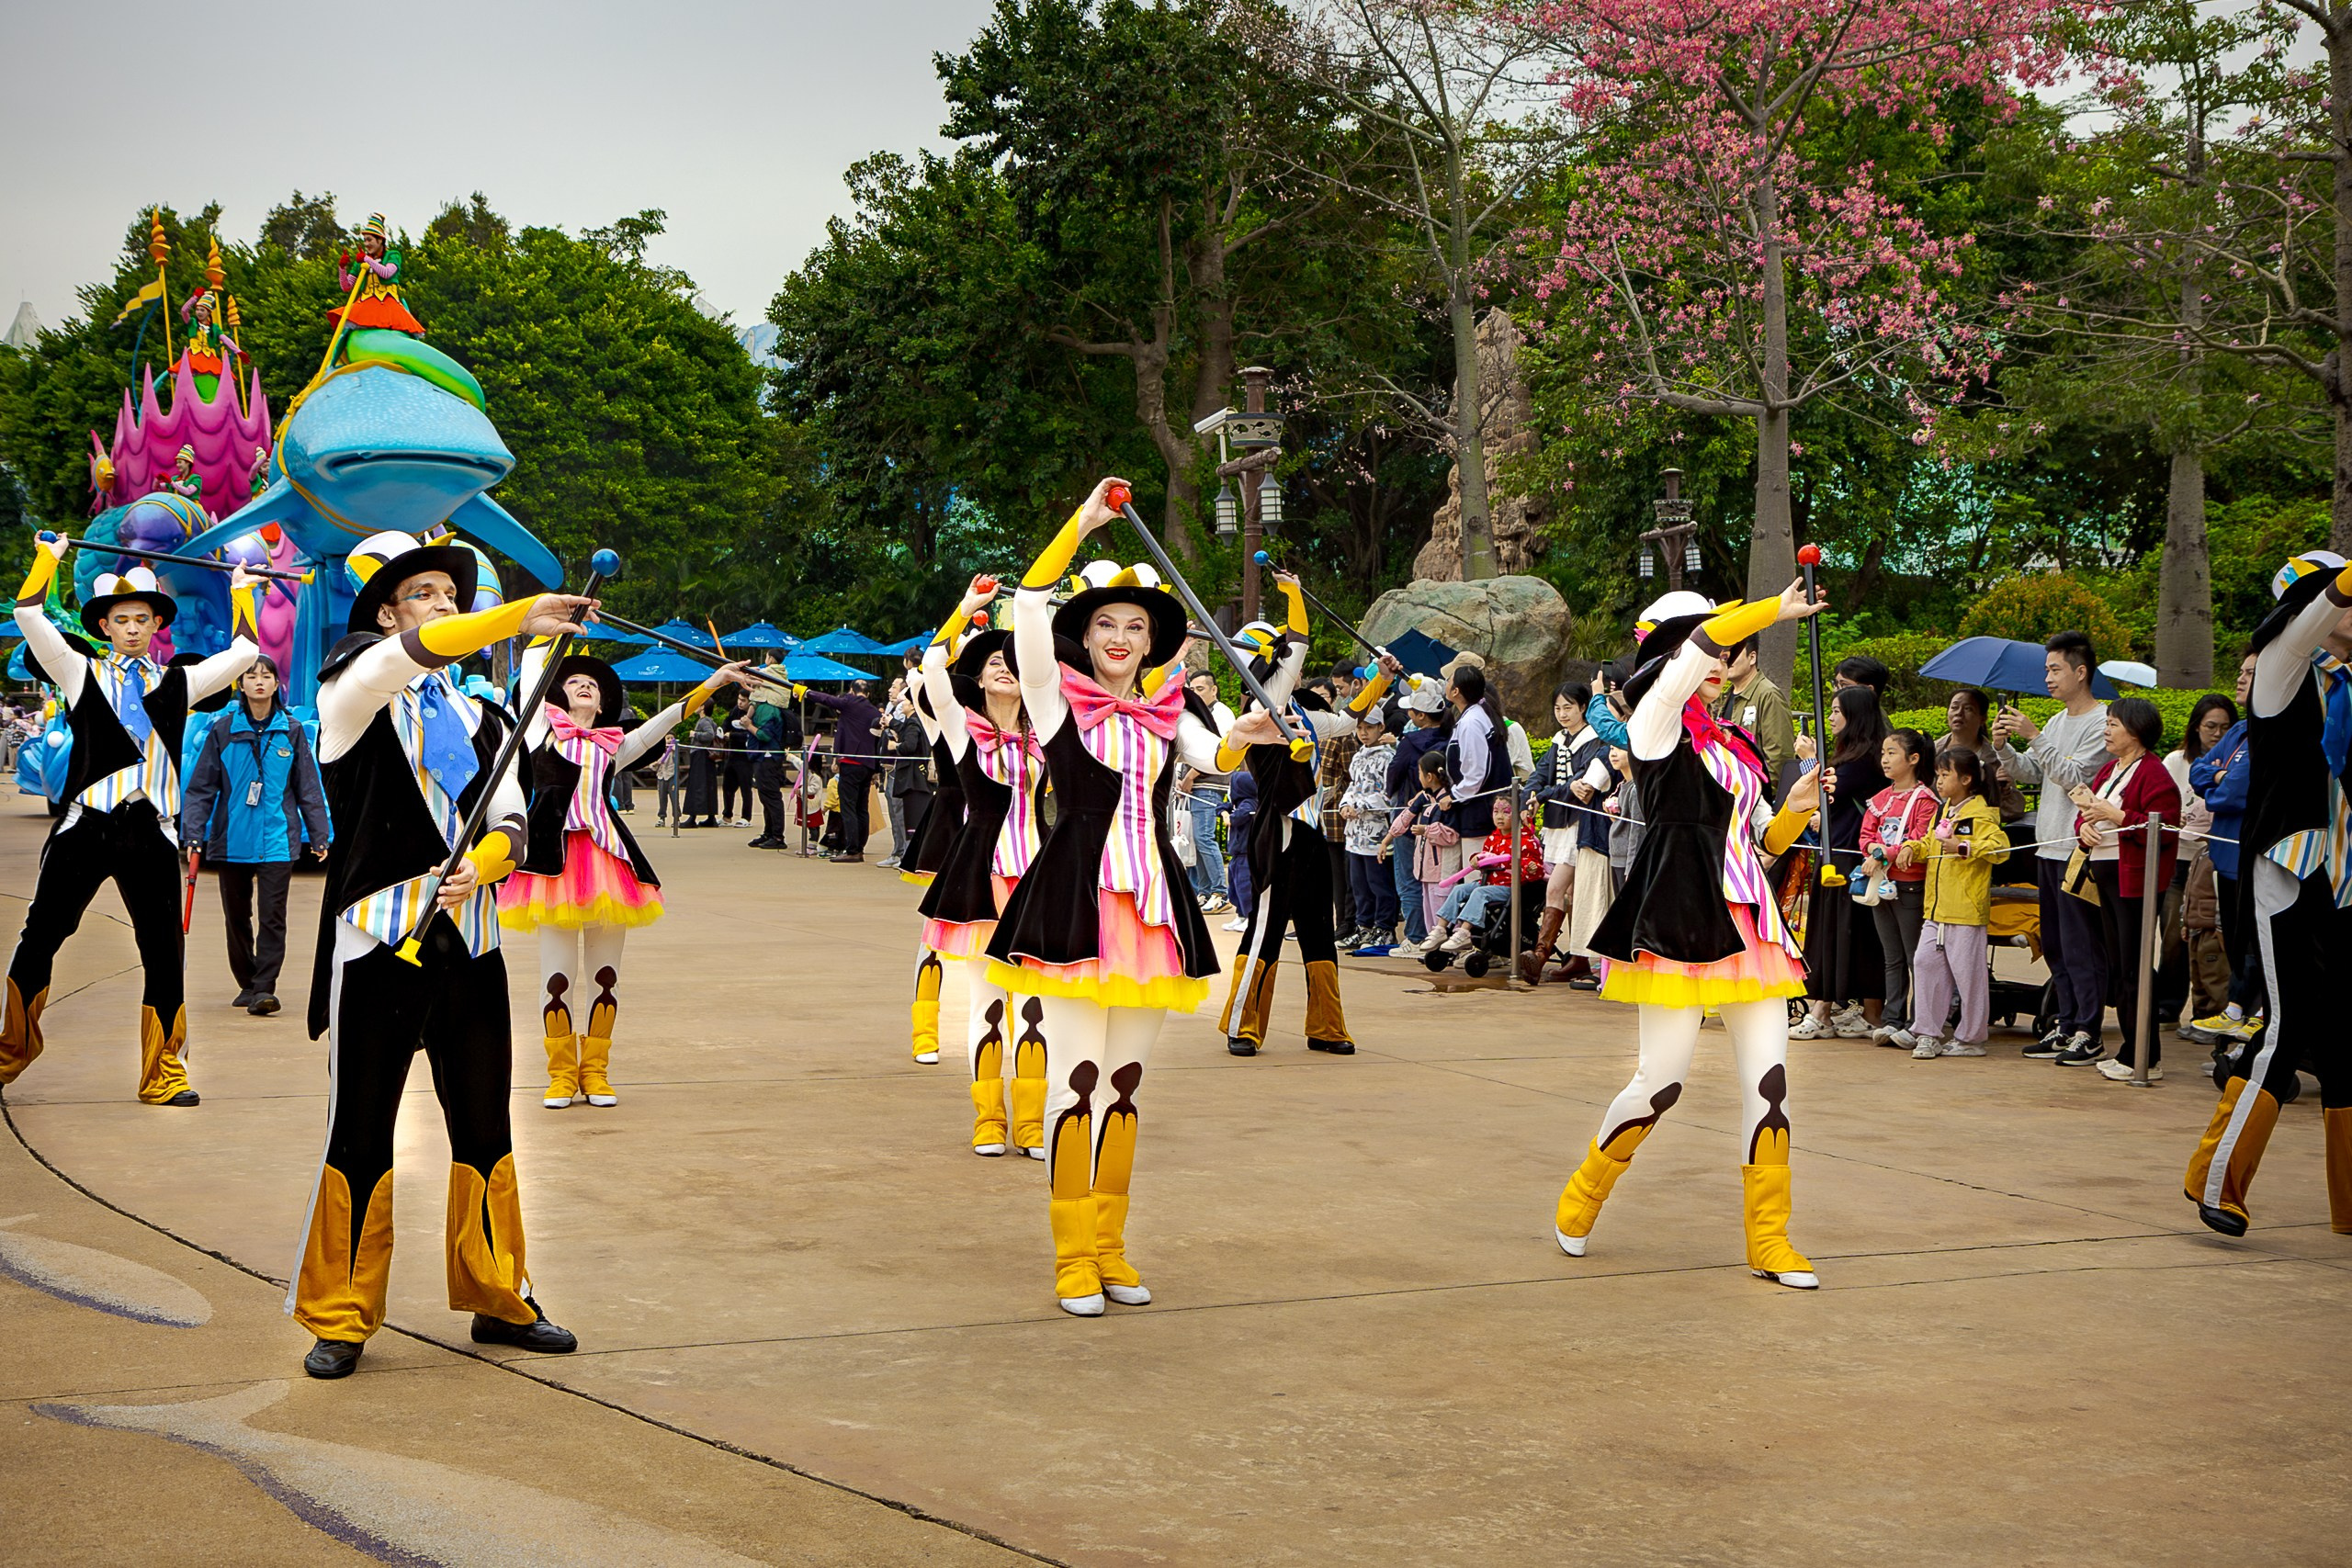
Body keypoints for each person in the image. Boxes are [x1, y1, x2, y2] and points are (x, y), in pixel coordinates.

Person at [288, 529, 594, 1380]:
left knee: (487, 1125)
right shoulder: (352, 689)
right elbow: (410, 657)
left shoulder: (484, 714)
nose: (442, 605)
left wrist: (485, 865)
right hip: (378, 944)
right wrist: (517, 616)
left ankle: (500, 1295)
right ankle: (341, 1313)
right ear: (387, 613)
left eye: (451, 595)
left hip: (474, 942)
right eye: (422, 593)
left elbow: (512, 818)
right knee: (360, 1129)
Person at [983, 480, 1232, 1316]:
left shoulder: (1167, 713)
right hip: (1074, 908)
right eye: (1105, 625)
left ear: (1151, 639)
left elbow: (1218, 754)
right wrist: (1081, 524)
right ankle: (1071, 1256)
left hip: (1152, 914)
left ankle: (1112, 1246)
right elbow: (1027, 606)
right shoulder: (1055, 699)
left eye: (1134, 627)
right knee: (1076, 1084)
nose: (1121, 638)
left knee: (1124, 1086)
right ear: (1084, 636)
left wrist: (1252, 736)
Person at [1555, 581, 1829, 1288]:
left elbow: (1763, 840)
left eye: (1723, 647)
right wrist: (1773, 610)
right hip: (1678, 921)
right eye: (1702, 645)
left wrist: (1798, 806)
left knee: (1771, 1084)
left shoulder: (1735, 742)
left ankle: (1770, 1239)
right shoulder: (1654, 722)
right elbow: (1699, 650)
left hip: (1748, 926)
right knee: (1661, 1083)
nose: (1718, 657)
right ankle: (1582, 1195)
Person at [4, 544, 260, 1105]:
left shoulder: (178, 682)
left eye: (143, 619)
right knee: (42, 935)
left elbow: (245, 652)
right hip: (86, 827)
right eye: (122, 620)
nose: (133, 628)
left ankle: (163, 1073)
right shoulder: (79, 671)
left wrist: (242, 589)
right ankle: (10, 1051)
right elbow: (28, 614)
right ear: (104, 626)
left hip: (150, 831)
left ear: (156, 625)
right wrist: (48, 558)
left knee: (165, 949)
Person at [499, 648, 750, 1110]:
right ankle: (561, 1075)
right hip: (553, 866)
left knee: (605, 977)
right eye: (573, 681)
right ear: (557, 695)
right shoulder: (539, 733)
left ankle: (595, 1072)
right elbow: (533, 677)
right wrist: (547, 633)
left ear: (602, 705)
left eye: (592, 685)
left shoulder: (614, 745)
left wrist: (713, 683)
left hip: (609, 864)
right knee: (556, 978)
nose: (584, 685)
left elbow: (667, 720)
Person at [2185, 552, 2352, 1236]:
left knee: (2344, 1039)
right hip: (2287, 867)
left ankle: (2350, 1204)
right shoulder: (2284, 661)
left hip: (2343, 877)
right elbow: (2320, 609)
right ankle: (2215, 1180)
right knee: (2285, 1028)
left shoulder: (2345, 678)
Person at [1216, 573, 1393, 1057]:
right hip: (1277, 829)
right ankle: (1242, 1024)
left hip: (1311, 831)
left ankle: (1327, 1026)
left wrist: (1381, 678)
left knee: (1317, 927)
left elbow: (1348, 720)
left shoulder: (1299, 708)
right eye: (1281, 657)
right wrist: (1293, 595)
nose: (1292, 663)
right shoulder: (1264, 701)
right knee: (1267, 928)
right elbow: (1297, 643)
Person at [917, 578, 1048, 1156]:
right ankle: (989, 1119)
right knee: (989, 1006)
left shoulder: (1048, 731)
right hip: (983, 878)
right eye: (995, 661)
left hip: (1040, 876)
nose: (1005, 668)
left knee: (1037, 1012)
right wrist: (965, 609)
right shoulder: (961, 726)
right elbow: (932, 670)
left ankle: (1032, 1123)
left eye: (1013, 661)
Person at [180, 655, 330, 1017]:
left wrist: (319, 835)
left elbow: (308, 787)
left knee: (272, 916)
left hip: (278, 839)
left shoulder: (291, 730)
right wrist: (193, 834)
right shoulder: (223, 730)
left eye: (266, 675)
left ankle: (265, 987)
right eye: (251, 676)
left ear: (277, 684)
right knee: (236, 917)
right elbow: (201, 788)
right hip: (232, 840)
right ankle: (247, 982)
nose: (259, 681)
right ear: (241, 685)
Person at [1993, 631, 2112, 1061]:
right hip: (2047, 847)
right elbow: (2033, 772)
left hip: (2077, 850)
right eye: (2046, 669)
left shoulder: (2102, 722)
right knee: (2057, 945)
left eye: (2055, 669)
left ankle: (2089, 1031)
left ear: (2081, 672)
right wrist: (2004, 749)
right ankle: (2066, 1023)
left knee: (2082, 945)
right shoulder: (2059, 720)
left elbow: (2074, 777)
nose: (2047, 677)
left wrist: (2033, 735)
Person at [2064, 697, 2183, 1078]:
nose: (2107, 730)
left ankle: (2144, 1057)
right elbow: (2086, 816)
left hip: (2134, 878)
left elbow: (2164, 827)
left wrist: (2116, 815)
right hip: (2106, 873)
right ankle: (2131, 1049)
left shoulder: (2154, 773)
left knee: (2134, 967)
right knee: (2119, 966)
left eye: (2114, 724)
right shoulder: (2109, 770)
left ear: (2136, 730)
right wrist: (2083, 828)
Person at [1896, 747, 2010, 1057]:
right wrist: (1912, 848)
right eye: (1938, 775)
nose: (1939, 781)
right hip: (1937, 909)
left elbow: (2000, 849)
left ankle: (1971, 1038)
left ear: (1966, 779)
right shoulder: (1944, 810)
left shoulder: (1981, 815)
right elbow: (1931, 843)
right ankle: (1927, 1032)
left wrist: (1964, 847)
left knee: (1968, 975)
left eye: (1945, 775)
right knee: (1924, 963)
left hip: (1965, 910)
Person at [1792, 684, 1891, 1039]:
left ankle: (1828, 1011)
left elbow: (1822, 791)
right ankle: (1852, 1009)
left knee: (1846, 931)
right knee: (1840, 930)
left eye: (1837, 711)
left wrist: (1809, 759)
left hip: (1850, 857)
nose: (1831, 718)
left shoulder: (1863, 761)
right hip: (1839, 852)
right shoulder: (1856, 756)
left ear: (1856, 716)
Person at [2186, 655, 2263, 1043]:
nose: (2240, 679)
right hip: (2224, 858)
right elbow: (2197, 771)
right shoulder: (2240, 731)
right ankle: (2235, 1010)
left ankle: (2256, 1015)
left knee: (2255, 944)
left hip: (2255, 857)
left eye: (2251, 673)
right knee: (2233, 940)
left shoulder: (2269, 731)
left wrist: (2218, 778)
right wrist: (2219, 774)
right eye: (2241, 672)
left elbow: (2235, 793)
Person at [2154, 695, 2238, 1031]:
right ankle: (2168, 1004)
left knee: (2214, 938)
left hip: (2218, 861)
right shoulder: (2176, 761)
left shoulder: (2237, 762)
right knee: (2174, 935)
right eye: (2210, 726)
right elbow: (2159, 802)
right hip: (2179, 860)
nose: (2217, 734)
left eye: (2225, 727)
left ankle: (2211, 1009)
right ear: (2196, 727)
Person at [1860, 728, 1939, 1049]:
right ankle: (1892, 1020)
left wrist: (1881, 853)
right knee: (1891, 956)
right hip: (1881, 882)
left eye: (1892, 753)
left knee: (1915, 957)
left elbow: (1920, 838)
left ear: (1914, 758)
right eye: (1883, 753)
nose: (1885, 759)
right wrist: (1873, 850)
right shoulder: (1881, 799)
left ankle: (1919, 1022)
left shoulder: (1925, 799)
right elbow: (1866, 834)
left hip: (1909, 885)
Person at [1526, 682, 1603, 983]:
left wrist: (1545, 794)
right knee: (1571, 893)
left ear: (1583, 707)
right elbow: (1540, 773)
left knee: (1556, 889)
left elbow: (1578, 783)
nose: (1562, 714)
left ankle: (1541, 954)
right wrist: (1532, 795)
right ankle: (1577, 958)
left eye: (1568, 707)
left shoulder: (1593, 739)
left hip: (1579, 823)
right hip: (1558, 824)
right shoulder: (1560, 739)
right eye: (1558, 708)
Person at [1386, 679, 1449, 949]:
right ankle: (1438, 933)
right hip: (1441, 818)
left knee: (1409, 879)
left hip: (1410, 815)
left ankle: (1414, 937)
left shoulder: (1409, 742)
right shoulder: (1451, 738)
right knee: (1438, 880)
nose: (1409, 714)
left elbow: (1393, 774)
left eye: (1411, 710)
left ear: (1421, 715)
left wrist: (1391, 793)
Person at [1427, 807, 1544, 951]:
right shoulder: (1493, 838)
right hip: (1488, 882)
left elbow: (1537, 869)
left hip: (1509, 887)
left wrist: (1531, 867)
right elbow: (1484, 856)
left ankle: (1464, 932)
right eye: (1496, 812)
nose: (1500, 817)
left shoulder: (1526, 840)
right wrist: (1476, 859)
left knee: (1480, 893)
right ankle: (1440, 929)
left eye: (1506, 812)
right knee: (1459, 889)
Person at [1339, 701, 1401, 951]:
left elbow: (1389, 795)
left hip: (1378, 834)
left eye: (1370, 727)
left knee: (1380, 884)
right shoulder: (1357, 757)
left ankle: (1385, 929)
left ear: (1381, 727)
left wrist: (1361, 805)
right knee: (1359, 886)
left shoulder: (1388, 757)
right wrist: (1345, 804)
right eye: (1360, 728)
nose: (1364, 733)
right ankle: (1363, 927)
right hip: (1355, 834)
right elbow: (1352, 786)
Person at [799, 680, 883, 862]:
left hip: (851, 762)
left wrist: (805, 692)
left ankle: (852, 850)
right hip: (868, 764)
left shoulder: (849, 702)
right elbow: (878, 742)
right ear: (868, 694)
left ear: (851, 691)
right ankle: (859, 848)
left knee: (848, 807)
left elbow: (826, 699)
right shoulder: (875, 712)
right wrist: (876, 769)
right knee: (862, 809)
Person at [1181, 671, 1234, 916]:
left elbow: (1219, 749)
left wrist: (1190, 775)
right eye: (1192, 689)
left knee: (1204, 837)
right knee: (1196, 839)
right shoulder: (1196, 713)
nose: (1196, 693)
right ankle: (1204, 891)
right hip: (1193, 785)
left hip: (1209, 783)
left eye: (1200, 688)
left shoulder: (1221, 713)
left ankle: (1220, 893)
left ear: (1214, 690)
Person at [1713, 634, 1794, 793]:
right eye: (1725, 655)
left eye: (1735, 653)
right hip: (1731, 794)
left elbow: (1779, 757)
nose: (1728, 660)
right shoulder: (1724, 696)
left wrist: (1758, 794)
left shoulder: (1768, 695)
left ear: (1752, 658)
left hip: (1755, 797)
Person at [1938, 687, 2028, 821]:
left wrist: (2005, 791)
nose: (1959, 713)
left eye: (1968, 709)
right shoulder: (1931, 752)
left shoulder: (1996, 759)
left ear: (1982, 718)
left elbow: (2013, 811)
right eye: (1954, 707)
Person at [330, 214, 427, 337]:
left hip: (388, 303)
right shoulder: (360, 262)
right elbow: (346, 287)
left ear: (380, 240)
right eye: (365, 240)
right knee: (344, 333)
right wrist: (342, 268)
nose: (366, 244)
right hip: (365, 304)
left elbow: (387, 273)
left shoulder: (392, 255)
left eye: (369, 240)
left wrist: (367, 260)